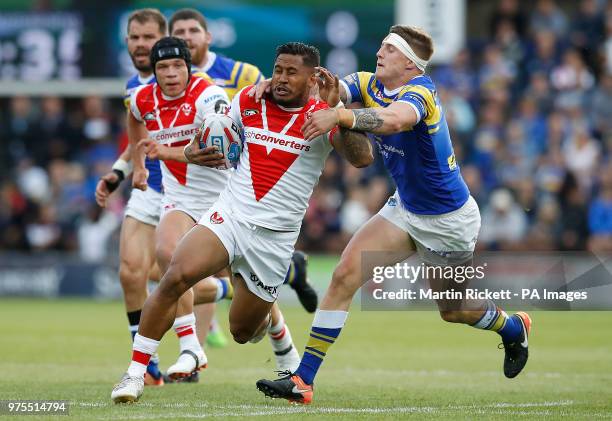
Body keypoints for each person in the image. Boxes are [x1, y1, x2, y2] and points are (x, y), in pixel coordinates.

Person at [255, 26, 532, 405]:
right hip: (405, 209)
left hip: (448, 221)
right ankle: (303, 381)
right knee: (343, 275)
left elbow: (394, 120)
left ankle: (513, 326)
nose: (380, 52)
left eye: (389, 48)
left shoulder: (422, 92)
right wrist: (268, 86)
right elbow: (323, 88)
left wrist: (340, 114)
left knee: (453, 311)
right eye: (382, 45)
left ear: (410, 64)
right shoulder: (369, 82)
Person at [110, 41, 373, 404]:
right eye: (277, 70)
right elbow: (211, 143)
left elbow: (363, 158)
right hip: (229, 218)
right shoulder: (250, 100)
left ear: (313, 78)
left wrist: (338, 111)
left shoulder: (322, 115)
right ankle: (135, 374)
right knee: (174, 275)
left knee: (242, 331)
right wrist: (193, 151)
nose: (280, 78)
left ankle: (270, 306)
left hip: (274, 241)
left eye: (291, 72)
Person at [168, 7, 319, 354]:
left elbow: (261, 115)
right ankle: (192, 352)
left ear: (208, 36)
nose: (186, 37)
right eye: (179, 32)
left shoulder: (242, 74)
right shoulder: (164, 79)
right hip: (183, 183)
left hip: (232, 184)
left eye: (193, 30)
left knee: (228, 281)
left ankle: (196, 348)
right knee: (176, 267)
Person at [94, 8, 168, 387]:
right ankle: (146, 359)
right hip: (146, 187)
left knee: (184, 278)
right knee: (130, 272)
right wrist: (117, 174)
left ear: (164, 39)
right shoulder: (131, 88)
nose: (141, 44)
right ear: (126, 41)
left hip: (186, 191)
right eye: (134, 37)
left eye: (148, 37)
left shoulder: (182, 82)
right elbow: (137, 143)